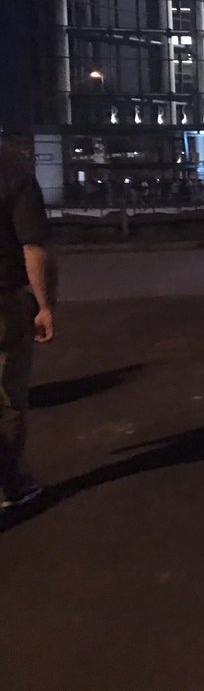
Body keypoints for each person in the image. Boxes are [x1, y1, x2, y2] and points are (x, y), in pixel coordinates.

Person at [0, 134, 56, 515]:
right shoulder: (12, 172)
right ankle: (10, 484)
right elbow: (33, 246)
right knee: (6, 393)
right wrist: (45, 305)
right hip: (4, 298)